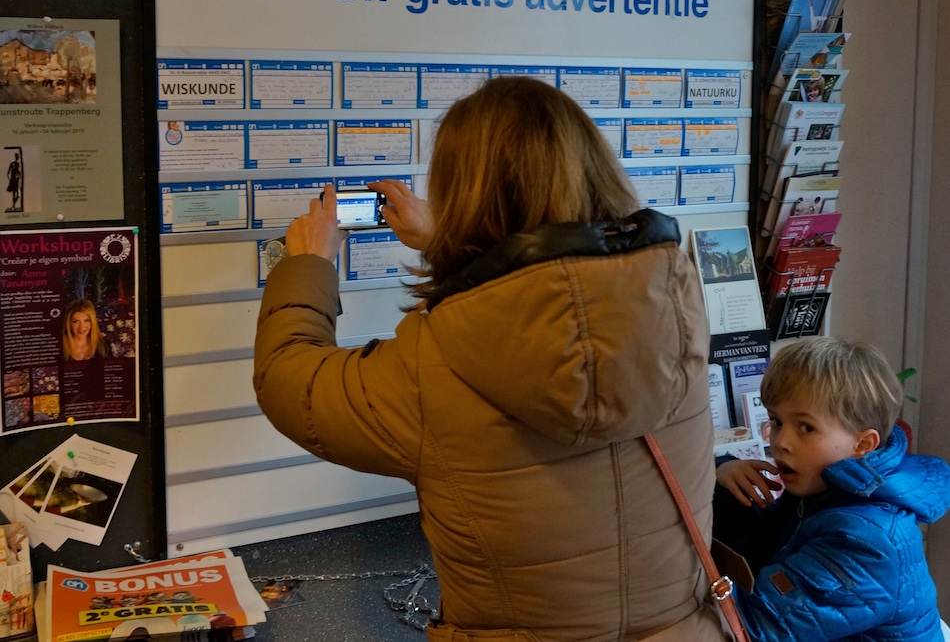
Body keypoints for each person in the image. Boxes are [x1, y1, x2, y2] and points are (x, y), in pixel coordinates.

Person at [254, 76, 722, 640]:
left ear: (462, 196)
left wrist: (308, 262)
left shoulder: (433, 367)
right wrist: (449, 246)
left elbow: (292, 381)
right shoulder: (675, 308)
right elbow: (557, 301)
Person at [713, 337, 950, 641]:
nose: (781, 442)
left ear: (862, 444)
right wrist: (724, 475)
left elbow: (759, 627)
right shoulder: (824, 491)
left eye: (806, 427)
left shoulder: (866, 540)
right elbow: (766, 547)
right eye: (777, 421)